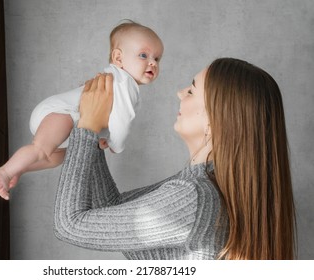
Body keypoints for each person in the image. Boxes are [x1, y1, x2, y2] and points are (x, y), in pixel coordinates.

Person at [53, 58, 296, 260]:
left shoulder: (194, 197)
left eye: (191, 91)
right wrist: (94, 133)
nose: (179, 93)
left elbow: (69, 225)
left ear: (214, 122)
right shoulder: (205, 185)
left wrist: (85, 128)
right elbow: (111, 210)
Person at [0, 21, 164, 200]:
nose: (152, 63)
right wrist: (116, 145)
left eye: (157, 58)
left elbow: (105, 115)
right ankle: (4, 171)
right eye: (143, 55)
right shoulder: (125, 82)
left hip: (65, 121)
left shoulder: (116, 78)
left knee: (56, 158)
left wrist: (103, 138)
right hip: (61, 113)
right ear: (118, 58)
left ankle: (19, 167)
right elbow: (121, 119)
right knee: (41, 149)